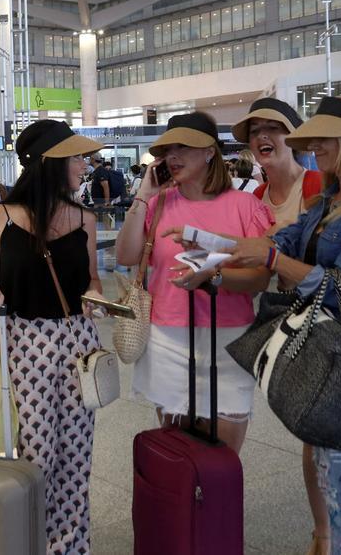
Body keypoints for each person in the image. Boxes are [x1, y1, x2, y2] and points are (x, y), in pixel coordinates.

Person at [223, 95, 341, 555]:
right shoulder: (332, 196)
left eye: (323, 138)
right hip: (330, 355)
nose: (315, 148)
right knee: (337, 477)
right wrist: (210, 245)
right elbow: (284, 237)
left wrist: (271, 258)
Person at [0, 119, 104, 554]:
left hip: (77, 344)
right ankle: (28, 541)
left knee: (76, 456)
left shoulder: (85, 218)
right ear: (51, 162)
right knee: (35, 456)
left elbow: (93, 281)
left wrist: (95, 298)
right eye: (77, 158)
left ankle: (70, 546)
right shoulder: (0, 217)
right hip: (24, 346)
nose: (85, 165)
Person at [116, 113, 273, 454]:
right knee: (177, 451)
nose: (173, 157)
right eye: (169, 149)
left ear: (209, 152)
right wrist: (144, 195)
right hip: (166, 335)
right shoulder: (158, 205)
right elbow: (126, 255)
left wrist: (213, 274)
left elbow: (259, 278)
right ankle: (181, 509)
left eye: (184, 147)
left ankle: (217, 509)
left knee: (225, 449)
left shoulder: (245, 206)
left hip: (230, 337)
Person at [230, 98, 322, 230]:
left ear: (293, 136)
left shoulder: (320, 186)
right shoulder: (258, 196)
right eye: (254, 131)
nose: (262, 136)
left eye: (273, 128)